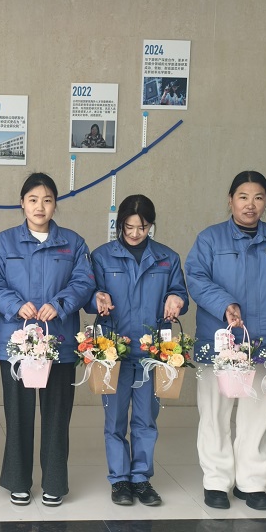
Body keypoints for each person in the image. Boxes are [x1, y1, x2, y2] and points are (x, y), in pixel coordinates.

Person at [185, 170, 266, 511]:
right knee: (215, 412)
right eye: (243, 197)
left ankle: (252, 483)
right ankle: (216, 481)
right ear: (230, 200)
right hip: (221, 338)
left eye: (258, 198)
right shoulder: (210, 239)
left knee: (258, 413)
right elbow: (196, 277)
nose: (250, 204)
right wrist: (224, 303)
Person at [0, 172, 94, 506]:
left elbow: (84, 282)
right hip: (16, 341)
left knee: (57, 414)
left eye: (47, 200)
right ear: (22, 203)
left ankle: (54, 483)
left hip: (59, 340)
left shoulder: (73, 243)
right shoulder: (3, 243)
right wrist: (15, 305)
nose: (40, 207)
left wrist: (59, 304)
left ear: (55, 204)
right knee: (18, 413)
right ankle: (18, 480)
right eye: (33, 200)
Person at [90, 194, 188, 507]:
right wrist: (96, 297)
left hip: (152, 352)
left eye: (142, 227)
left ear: (151, 226)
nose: (135, 233)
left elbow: (180, 293)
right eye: (129, 227)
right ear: (120, 224)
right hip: (113, 351)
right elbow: (88, 293)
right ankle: (119, 480)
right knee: (115, 420)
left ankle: (141, 479)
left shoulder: (167, 258)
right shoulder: (102, 257)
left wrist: (177, 299)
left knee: (146, 420)